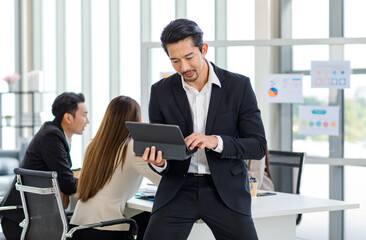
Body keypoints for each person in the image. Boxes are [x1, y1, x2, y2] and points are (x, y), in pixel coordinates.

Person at [141, 19, 267, 240]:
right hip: (178, 189)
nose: (184, 68)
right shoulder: (160, 92)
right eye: (175, 61)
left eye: (189, 58)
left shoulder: (238, 87)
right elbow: (163, 149)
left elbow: (257, 146)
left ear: (204, 49)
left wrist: (215, 141)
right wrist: (159, 163)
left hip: (225, 190)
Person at [0, 92, 89, 240]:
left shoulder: (54, 133)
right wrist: (97, 184)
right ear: (68, 117)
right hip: (23, 221)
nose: (87, 121)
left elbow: (64, 174)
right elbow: (67, 184)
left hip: (34, 217)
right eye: (84, 115)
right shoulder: (52, 137)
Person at [70, 96, 161, 240]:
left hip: (77, 229)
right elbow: (164, 181)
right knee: (157, 217)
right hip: (107, 231)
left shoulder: (94, 146)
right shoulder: (131, 147)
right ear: (135, 120)